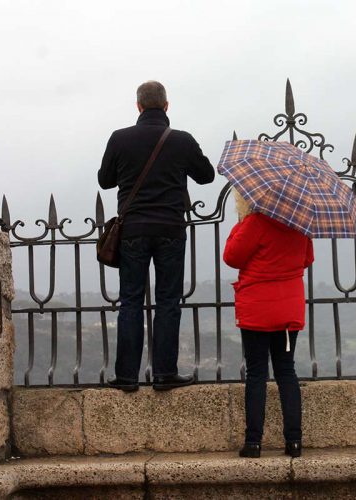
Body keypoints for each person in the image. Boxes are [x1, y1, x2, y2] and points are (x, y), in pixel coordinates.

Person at [98, 81, 214, 392]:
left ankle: (126, 376)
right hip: (170, 230)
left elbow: (105, 180)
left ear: (138, 106)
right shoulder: (181, 141)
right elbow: (207, 175)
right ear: (166, 106)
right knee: (167, 301)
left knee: (131, 301)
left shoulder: (120, 139)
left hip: (133, 230)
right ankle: (164, 373)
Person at [223, 188, 314, 458]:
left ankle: (253, 443)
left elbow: (231, 257)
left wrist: (239, 225)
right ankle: (294, 442)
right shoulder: (300, 223)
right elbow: (307, 259)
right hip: (288, 310)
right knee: (287, 372)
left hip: (257, 310)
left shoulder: (255, 222)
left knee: (256, 373)